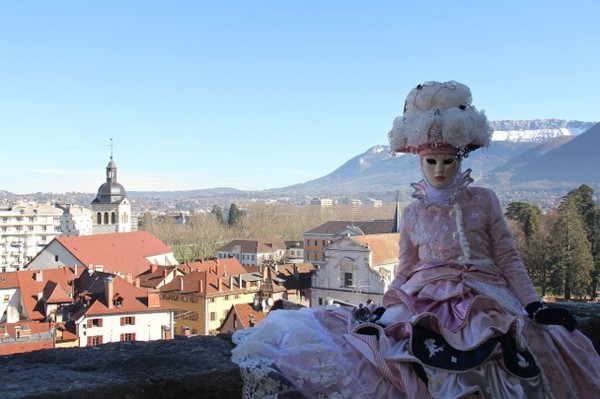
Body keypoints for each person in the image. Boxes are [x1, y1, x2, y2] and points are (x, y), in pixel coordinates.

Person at [231, 80, 600, 398]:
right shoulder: (412, 213)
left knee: (505, 352)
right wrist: (384, 304)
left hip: (487, 297)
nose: (439, 170)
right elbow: (407, 268)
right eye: (431, 162)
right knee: (387, 345)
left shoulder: (484, 199)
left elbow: (508, 258)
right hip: (425, 297)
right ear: (420, 162)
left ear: (460, 159)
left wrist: (533, 304)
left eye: (447, 161)